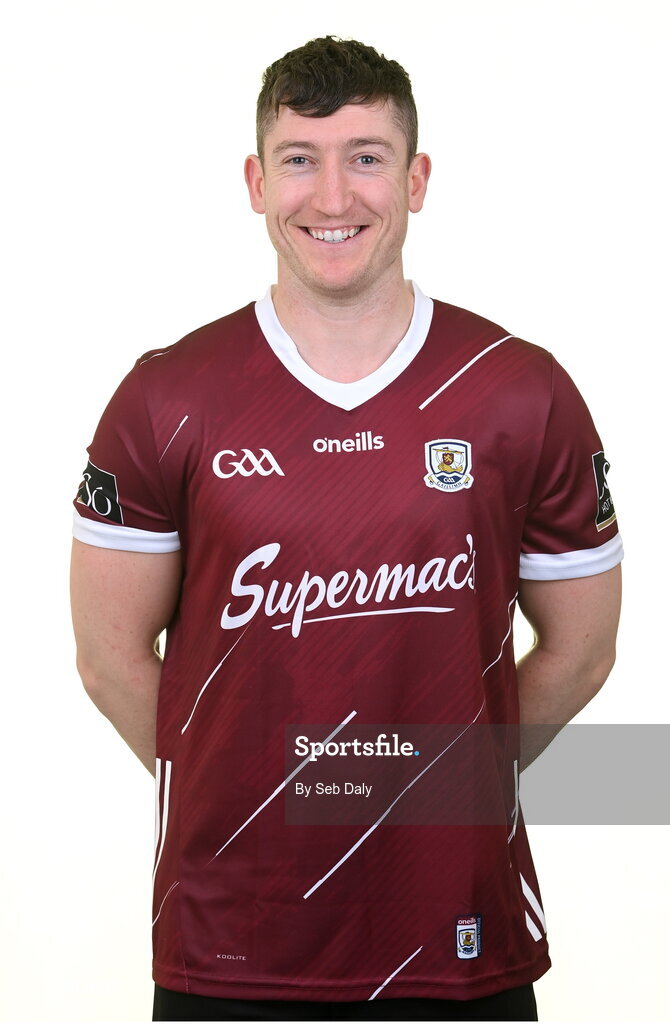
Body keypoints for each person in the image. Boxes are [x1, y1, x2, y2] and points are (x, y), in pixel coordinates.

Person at [70, 35, 623, 1023]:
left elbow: (580, 651)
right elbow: (110, 658)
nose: (332, 197)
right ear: (255, 183)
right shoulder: (168, 396)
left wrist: (426, 789)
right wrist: (246, 791)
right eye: (299, 159)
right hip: (230, 942)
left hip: (457, 935)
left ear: (416, 180)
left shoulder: (517, 389)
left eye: (366, 156)